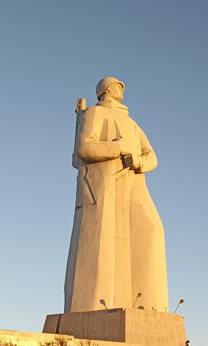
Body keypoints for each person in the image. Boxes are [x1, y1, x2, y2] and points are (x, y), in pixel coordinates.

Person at [64, 77, 168, 314]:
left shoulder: (132, 124)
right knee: (101, 245)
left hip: (134, 182)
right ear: (106, 90)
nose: (122, 87)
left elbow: (152, 156)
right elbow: (84, 148)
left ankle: (150, 308)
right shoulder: (94, 113)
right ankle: (94, 309)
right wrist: (117, 148)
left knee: (152, 231)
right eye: (117, 84)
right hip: (104, 183)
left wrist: (138, 161)